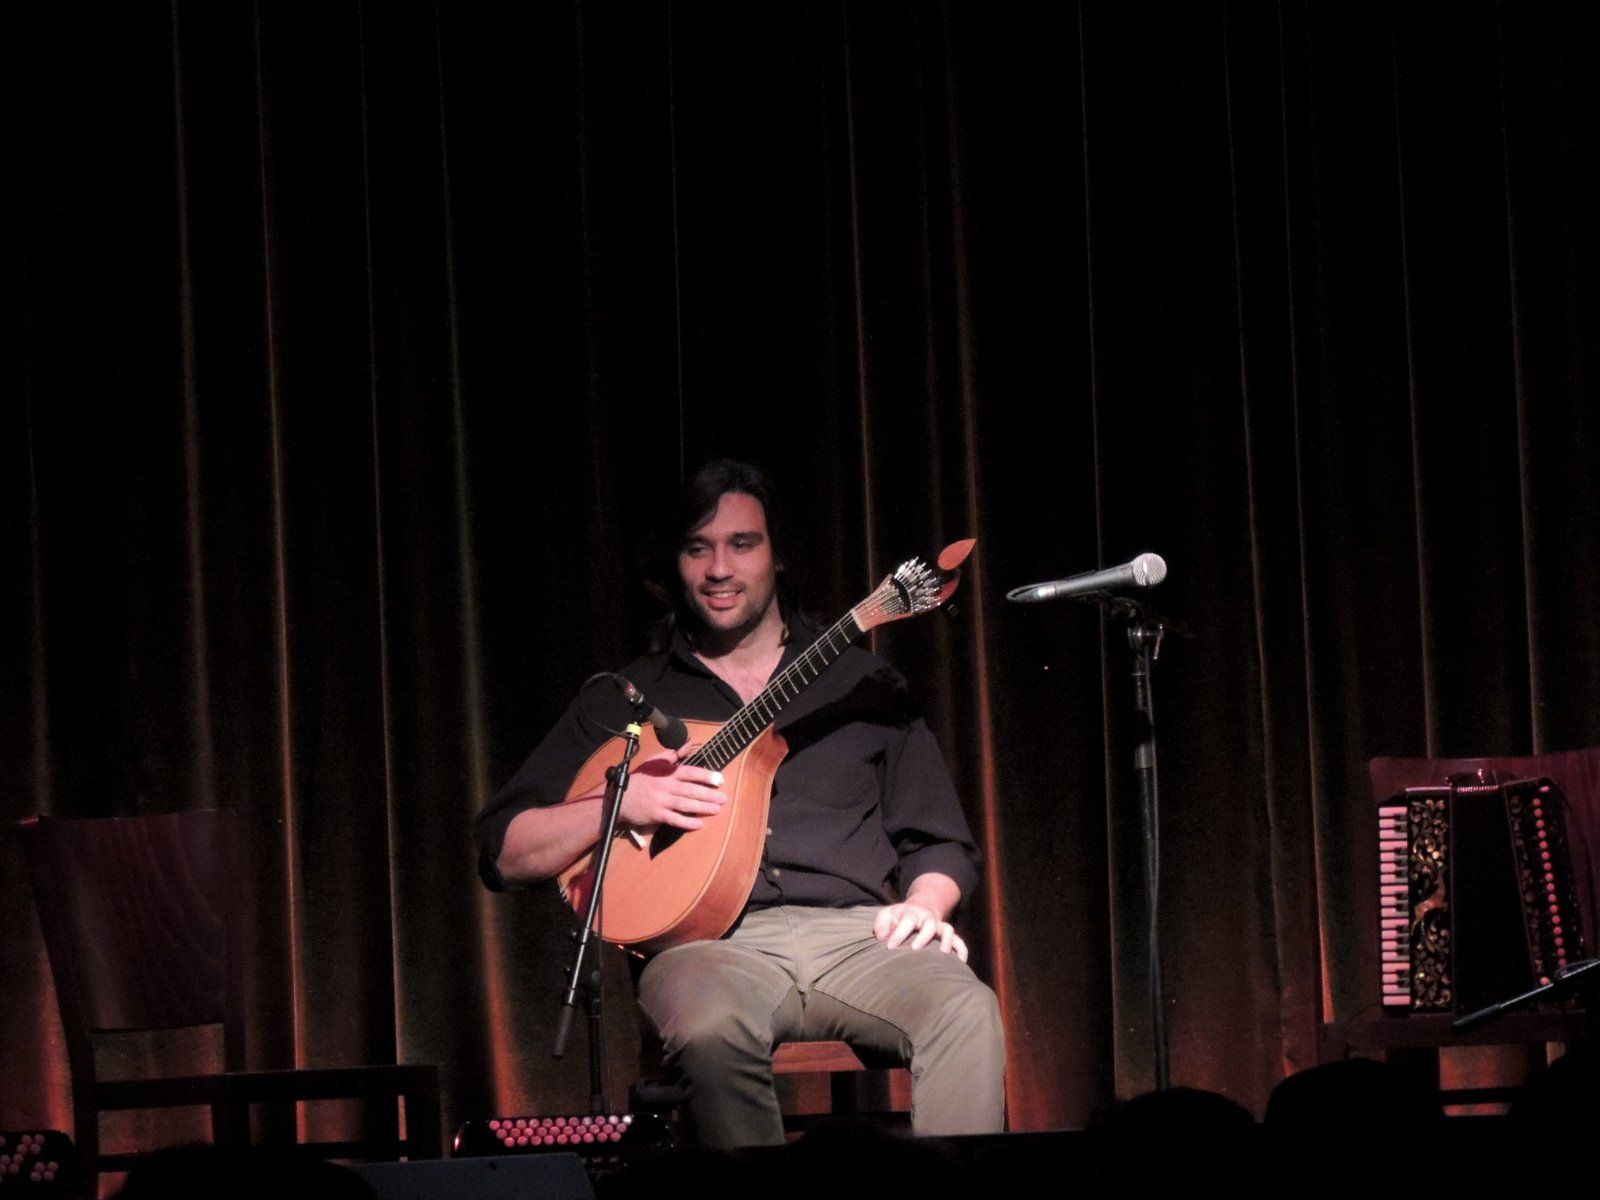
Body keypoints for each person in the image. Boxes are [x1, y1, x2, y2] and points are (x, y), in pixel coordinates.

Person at [475, 459, 1005, 1147]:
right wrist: (617, 804)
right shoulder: (631, 698)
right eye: (698, 548)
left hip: (862, 936)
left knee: (966, 1009)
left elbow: (939, 840)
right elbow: (504, 850)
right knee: (710, 1031)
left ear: (778, 555)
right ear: (675, 564)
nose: (720, 569)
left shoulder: (861, 682)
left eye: (742, 544)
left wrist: (926, 905)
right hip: (708, 951)